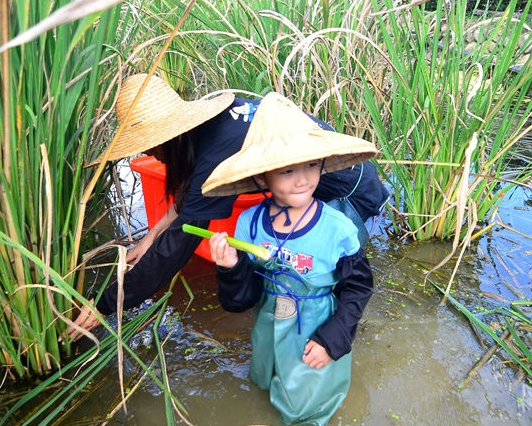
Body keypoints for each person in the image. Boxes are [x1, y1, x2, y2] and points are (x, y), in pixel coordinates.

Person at [67, 73, 387, 339]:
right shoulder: (209, 128)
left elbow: (176, 248)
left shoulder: (213, 149)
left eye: (152, 147)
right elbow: (192, 196)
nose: (152, 155)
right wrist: (148, 238)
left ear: (171, 135)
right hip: (312, 185)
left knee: (317, 287)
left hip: (347, 193)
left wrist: (105, 304)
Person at [205, 92, 376, 425]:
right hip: (268, 327)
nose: (303, 178)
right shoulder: (249, 224)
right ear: (261, 177)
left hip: (315, 331)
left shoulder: (338, 230)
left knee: (305, 411)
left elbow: (357, 290)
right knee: (263, 386)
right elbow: (243, 300)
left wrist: (332, 339)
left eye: (311, 164)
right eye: (286, 170)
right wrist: (230, 268)